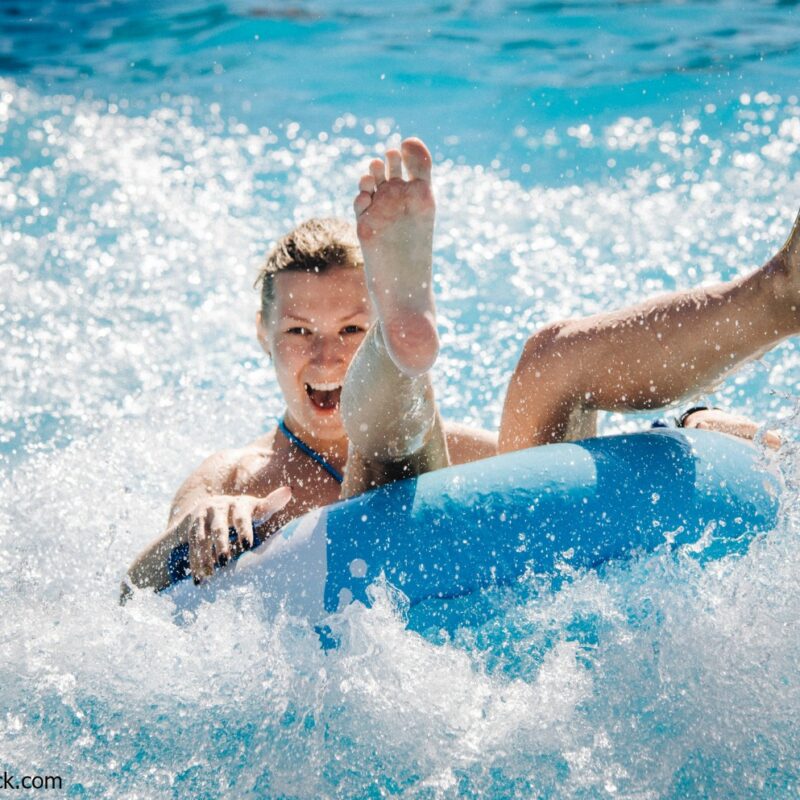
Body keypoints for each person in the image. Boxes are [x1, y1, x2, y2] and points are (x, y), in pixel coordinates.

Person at [123, 138, 797, 597]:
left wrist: (691, 427)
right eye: (300, 331)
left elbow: (571, 466)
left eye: (352, 328)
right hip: (362, 617)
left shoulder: (469, 447)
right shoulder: (234, 476)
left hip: (499, 594)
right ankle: (398, 347)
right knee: (391, 451)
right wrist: (195, 527)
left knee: (549, 359)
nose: (326, 356)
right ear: (262, 337)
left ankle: (775, 295)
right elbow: (136, 586)